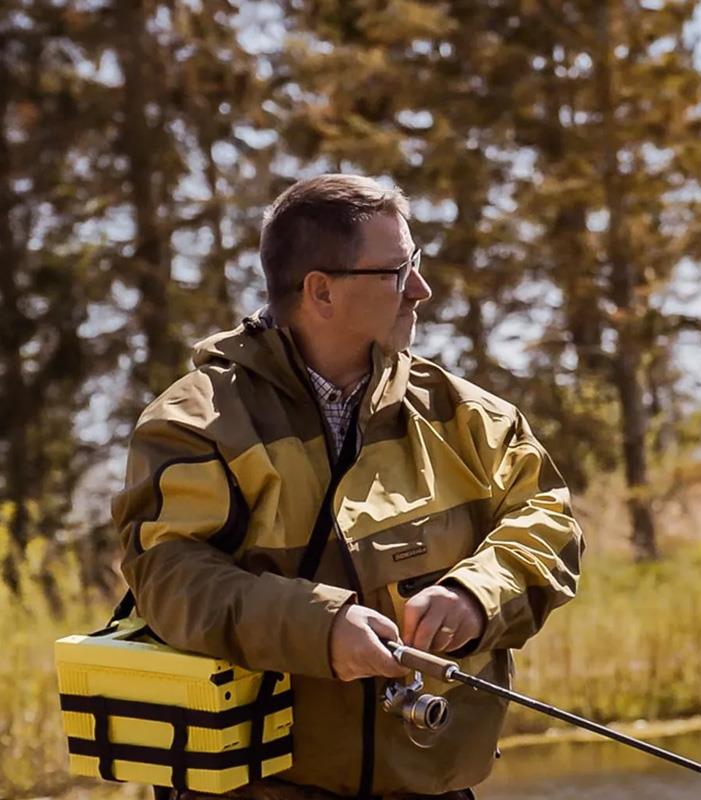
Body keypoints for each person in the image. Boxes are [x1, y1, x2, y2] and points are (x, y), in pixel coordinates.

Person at [112, 174, 584, 800]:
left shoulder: (470, 417)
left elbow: (548, 521)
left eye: (415, 263)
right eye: (397, 271)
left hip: (432, 787)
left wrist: (475, 595)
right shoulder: (194, 424)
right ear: (321, 291)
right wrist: (321, 630)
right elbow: (171, 577)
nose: (421, 288)